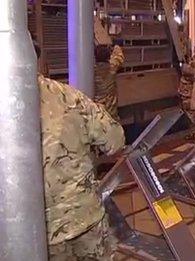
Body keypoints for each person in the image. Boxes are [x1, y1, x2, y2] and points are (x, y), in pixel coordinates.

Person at [34, 43, 126, 260]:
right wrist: (117, 46)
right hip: (85, 218)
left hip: (40, 233)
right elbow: (115, 141)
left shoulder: (93, 72)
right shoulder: (69, 95)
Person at [94, 44, 125, 120]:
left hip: (97, 110)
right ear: (108, 56)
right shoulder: (113, 66)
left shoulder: (92, 70)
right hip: (111, 110)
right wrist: (116, 46)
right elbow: (119, 57)